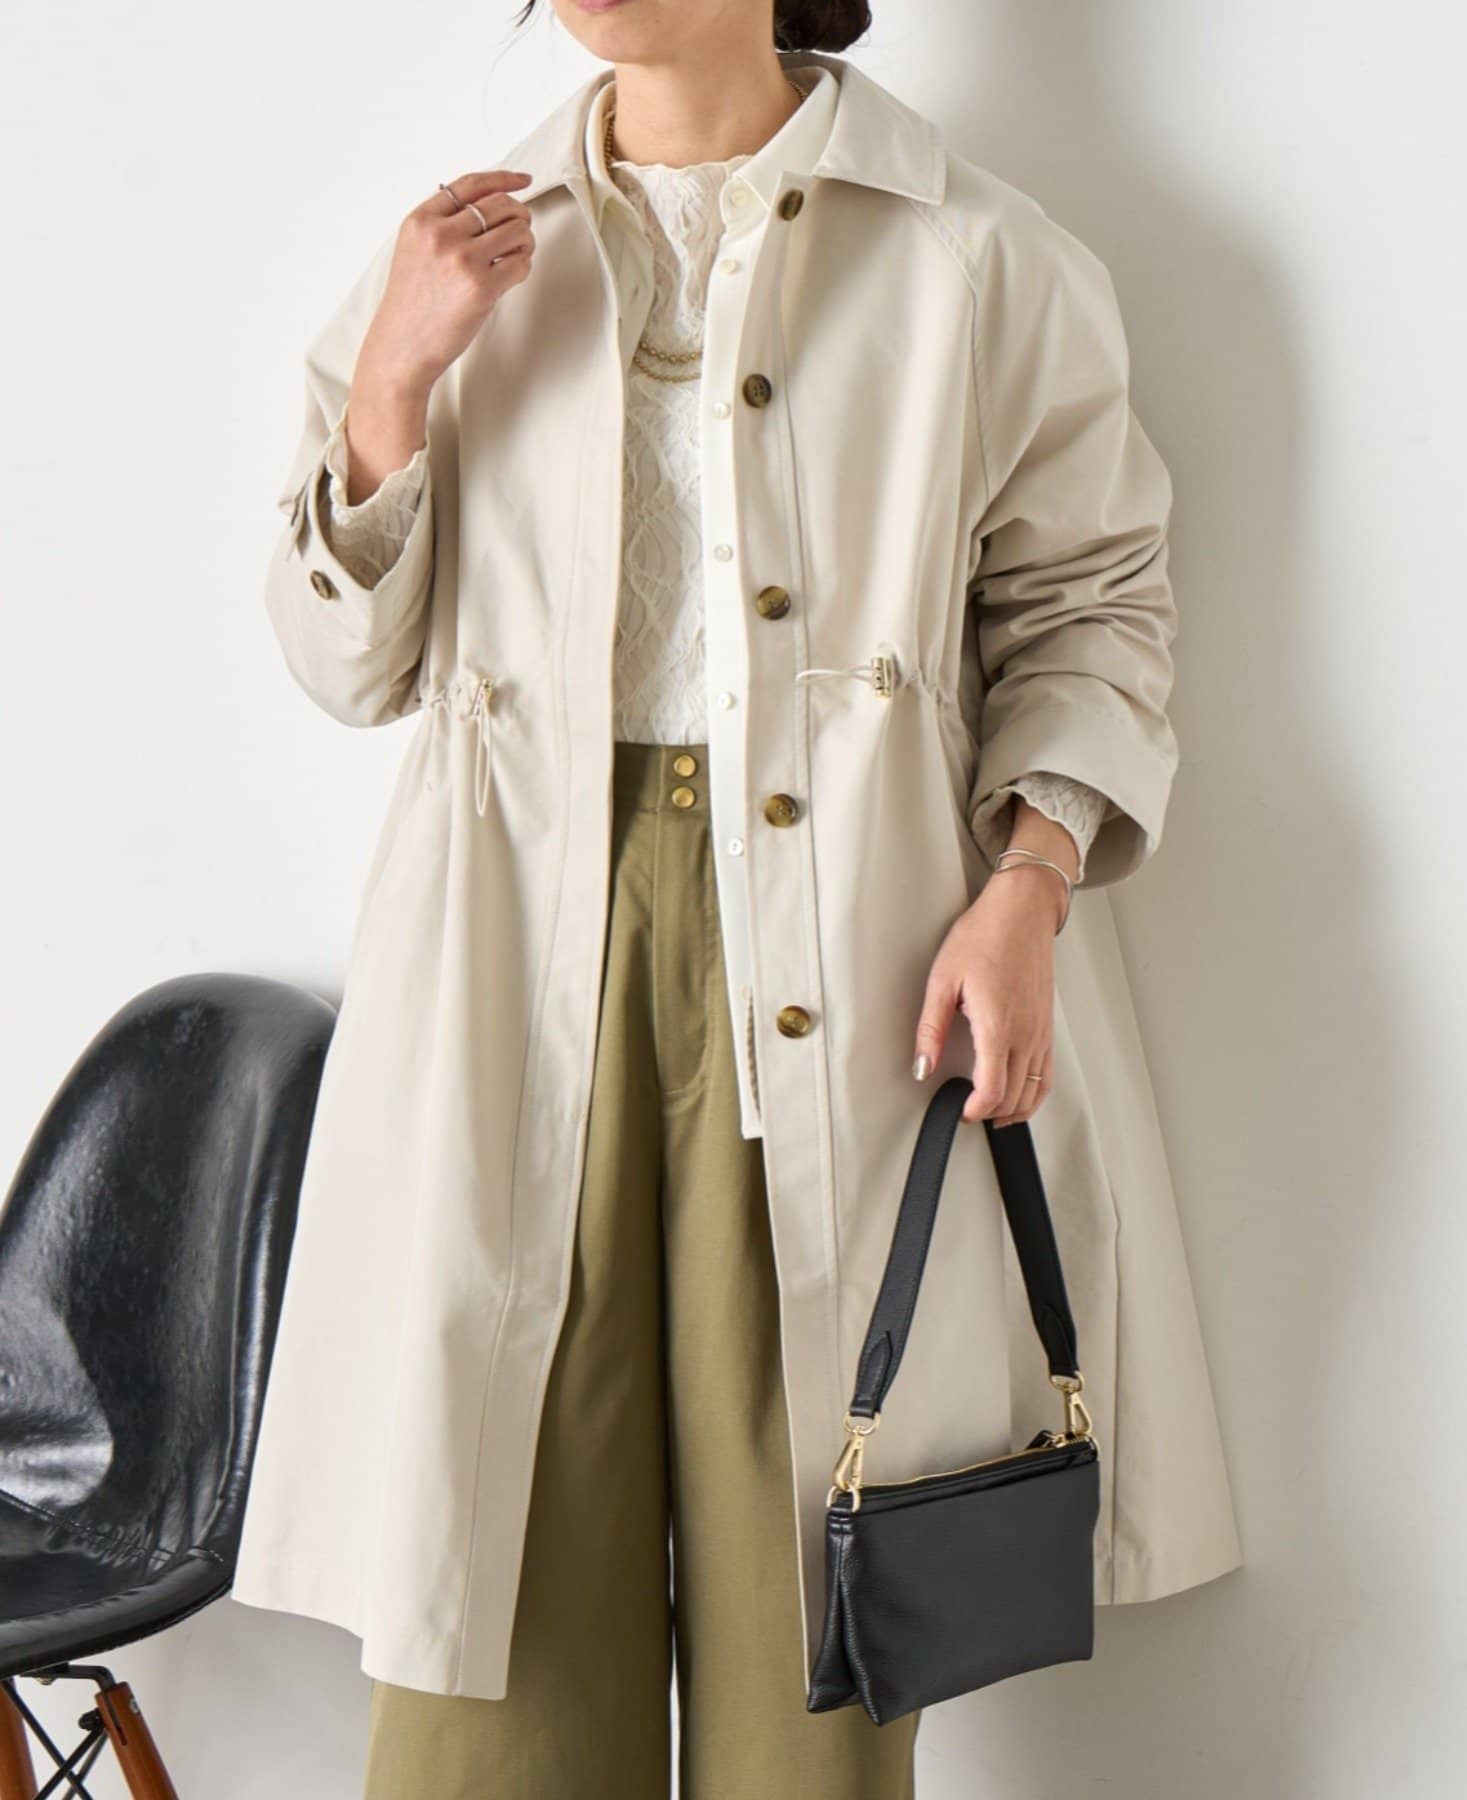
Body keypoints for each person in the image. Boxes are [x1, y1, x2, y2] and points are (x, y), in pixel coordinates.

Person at [231, 3, 1244, 1795]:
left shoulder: (976, 256)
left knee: (813, 1608)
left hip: (850, 963)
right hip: (516, 969)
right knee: (494, 1583)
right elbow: (346, 666)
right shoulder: (459, 252)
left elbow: (1093, 607)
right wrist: (390, 389)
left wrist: (1031, 882)